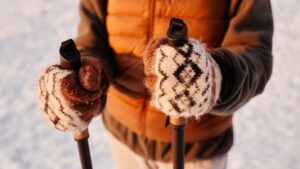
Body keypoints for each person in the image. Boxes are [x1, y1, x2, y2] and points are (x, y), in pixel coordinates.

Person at [38, 0, 273, 168]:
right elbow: (93, 36)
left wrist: (216, 76)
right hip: (124, 140)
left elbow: (255, 53)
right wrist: (84, 81)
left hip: (195, 151)